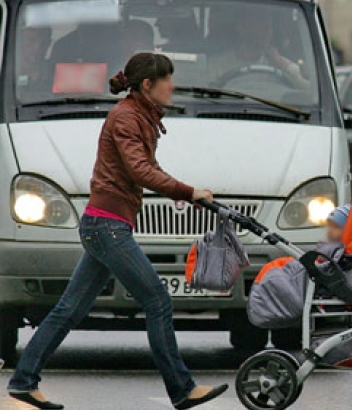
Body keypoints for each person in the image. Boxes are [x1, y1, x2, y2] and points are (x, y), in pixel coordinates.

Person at [7, 53, 228, 410]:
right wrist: (187, 191)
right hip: (107, 227)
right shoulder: (126, 117)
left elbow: (146, 167)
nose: (173, 85)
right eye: (167, 79)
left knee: (68, 310)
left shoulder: (140, 115)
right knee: (157, 299)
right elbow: (141, 170)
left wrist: (180, 193)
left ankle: (22, 381)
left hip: (105, 224)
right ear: (147, 85)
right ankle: (182, 388)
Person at [207, 5, 308, 88]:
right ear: (241, 28)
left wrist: (282, 65)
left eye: (270, 25)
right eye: (260, 23)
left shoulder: (279, 63)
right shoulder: (217, 65)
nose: (267, 29)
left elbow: (308, 92)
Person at [16, 26, 51, 94]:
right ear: (20, 42)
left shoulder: (56, 73)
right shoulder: (6, 73)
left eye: (43, 41)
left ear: (48, 44)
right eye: (32, 40)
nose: (37, 47)